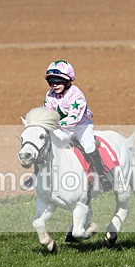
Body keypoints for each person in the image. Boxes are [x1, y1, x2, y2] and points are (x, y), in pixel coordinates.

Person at [43, 60, 113, 191]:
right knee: (47, 144)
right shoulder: (50, 95)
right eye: (51, 81)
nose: (54, 84)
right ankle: (39, 174)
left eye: (58, 81)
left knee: (88, 146)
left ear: (68, 80)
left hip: (81, 126)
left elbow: (74, 119)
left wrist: (55, 124)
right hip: (62, 128)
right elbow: (48, 113)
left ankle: (102, 176)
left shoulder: (76, 94)